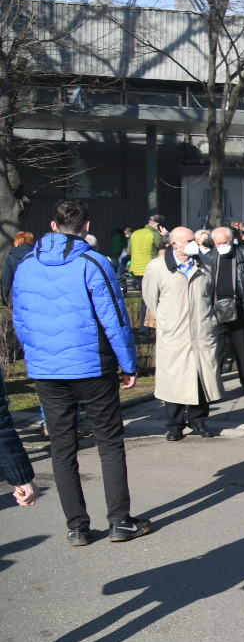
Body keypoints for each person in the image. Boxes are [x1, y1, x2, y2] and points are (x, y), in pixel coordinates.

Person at [11, 199, 144, 545]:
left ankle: (77, 527)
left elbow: (20, 320)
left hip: (47, 369)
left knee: (62, 447)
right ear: (86, 226)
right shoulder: (93, 261)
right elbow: (114, 319)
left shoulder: (27, 264)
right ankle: (119, 520)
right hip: (91, 368)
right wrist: (129, 364)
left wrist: (34, 357)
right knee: (109, 443)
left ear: (53, 226)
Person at [143, 226, 223, 440]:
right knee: (174, 381)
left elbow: (212, 295)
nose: (193, 243)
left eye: (193, 239)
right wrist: (168, 321)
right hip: (175, 334)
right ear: (174, 244)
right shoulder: (158, 267)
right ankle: (175, 425)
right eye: (188, 240)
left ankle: (198, 420)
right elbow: (150, 299)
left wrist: (210, 321)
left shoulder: (206, 264)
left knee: (200, 379)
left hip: (201, 332)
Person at [206, 225, 244, 396]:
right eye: (217, 243)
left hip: (240, 307)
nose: (221, 245)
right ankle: (213, 386)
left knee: (243, 348)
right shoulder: (210, 257)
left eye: (225, 242)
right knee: (215, 350)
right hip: (217, 309)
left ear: (232, 240)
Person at [1, 231, 35, 304]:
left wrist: (5, 299)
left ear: (17, 241)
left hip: (15, 295)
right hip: (33, 295)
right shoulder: (37, 256)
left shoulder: (11, 257)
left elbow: (6, 280)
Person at [127, 213, 164, 280]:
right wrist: (163, 236)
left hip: (136, 270)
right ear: (159, 225)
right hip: (150, 270)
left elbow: (129, 251)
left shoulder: (135, 233)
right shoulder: (155, 234)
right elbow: (164, 249)